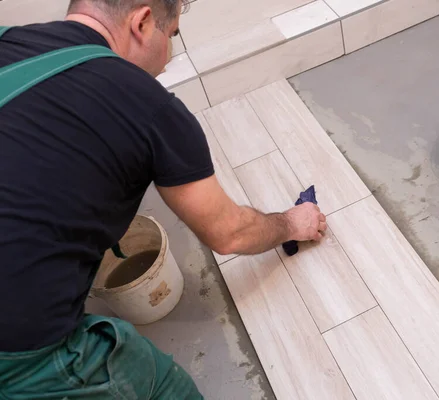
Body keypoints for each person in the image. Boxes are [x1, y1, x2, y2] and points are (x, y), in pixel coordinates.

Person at [0, 0, 327, 398]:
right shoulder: (151, 108)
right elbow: (229, 233)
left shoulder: (9, 43)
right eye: (172, 36)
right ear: (142, 22)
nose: (168, 59)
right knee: (164, 389)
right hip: (21, 353)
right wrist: (294, 223)